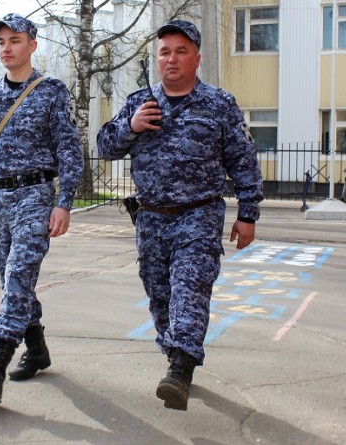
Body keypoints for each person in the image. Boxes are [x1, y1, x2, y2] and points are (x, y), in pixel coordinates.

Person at [96, 20, 263, 411]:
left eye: (181, 51)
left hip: (199, 216)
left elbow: (243, 160)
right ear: (158, 59)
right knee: (160, 299)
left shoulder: (219, 104)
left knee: (190, 289)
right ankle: (174, 356)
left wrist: (248, 213)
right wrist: (130, 128)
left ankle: (181, 368)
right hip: (151, 219)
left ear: (197, 58)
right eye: (165, 52)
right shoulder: (139, 102)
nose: (172, 59)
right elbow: (104, 146)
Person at [0, 13, 83, 403]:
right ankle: (38, 349)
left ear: (32, 46)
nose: (6, 48)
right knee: (12, 280)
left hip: (35, 198)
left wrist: (64, 202)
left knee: (18, 273)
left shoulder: (51, 91)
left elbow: (70, 151)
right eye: (1, 42)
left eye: (15, 40)